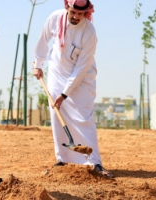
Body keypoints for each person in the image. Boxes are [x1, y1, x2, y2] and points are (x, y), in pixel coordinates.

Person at [33, 0, 113, 178]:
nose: (76, 17)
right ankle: (62, 158)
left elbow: (81, 67)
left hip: (81, 78)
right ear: (67, 8)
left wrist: (65, 93)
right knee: (56, 114)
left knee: (83, 118)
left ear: (86, 13)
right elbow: (43, 39)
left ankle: (94, 162)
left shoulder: (89, 32)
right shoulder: (54, 18)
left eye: (80, 14)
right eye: (73, 12)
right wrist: (38, 65)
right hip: (56, 73)